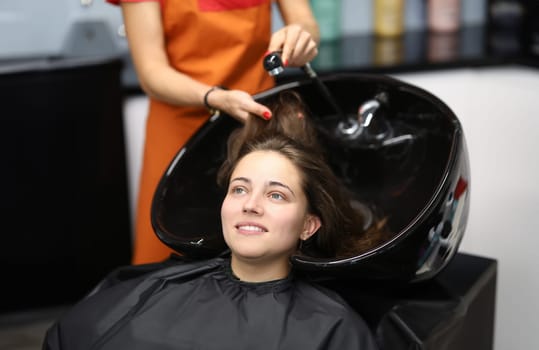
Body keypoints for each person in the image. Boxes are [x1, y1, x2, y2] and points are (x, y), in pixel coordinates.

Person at [42, 92, 383, 350]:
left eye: (276, 195)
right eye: (239, 189)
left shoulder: (334, 329)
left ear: (309, 225)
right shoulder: (156, 290)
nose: (251, 205)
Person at [106, 0, 320, 264]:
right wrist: (213, 97)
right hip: (179, 125)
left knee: (262, 247)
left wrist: (300, 37)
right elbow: (152, 72)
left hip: (253, 121)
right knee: (168, 252)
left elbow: (306, 24)